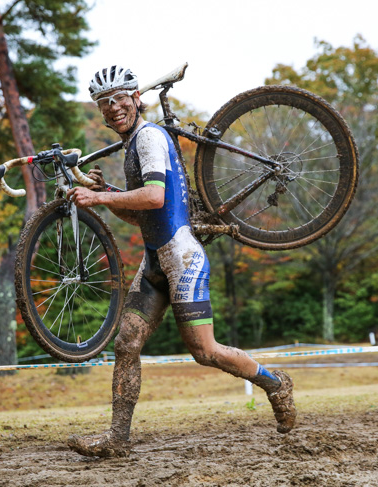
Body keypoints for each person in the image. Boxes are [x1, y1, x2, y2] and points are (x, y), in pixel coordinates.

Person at [66, 65, 296, 458]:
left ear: (136, 98)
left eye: (119, 98)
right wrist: (107, 191)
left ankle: (276, 384)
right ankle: (117, 440)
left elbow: (155, 197)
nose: (113, 107)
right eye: (104, 103)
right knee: (126, 344)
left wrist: (99, 199)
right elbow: (141, 214)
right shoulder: (132, 144)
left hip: (182, 257)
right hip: (155, 259)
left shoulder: (150, 137)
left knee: (205, 353)